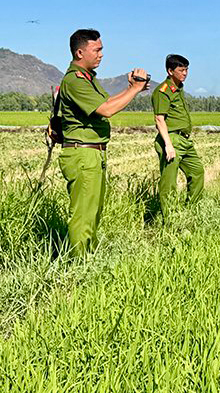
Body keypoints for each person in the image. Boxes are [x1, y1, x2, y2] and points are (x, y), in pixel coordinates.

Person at [57, 29, 148, 255]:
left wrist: (131, 89)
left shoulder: (88, 79)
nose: (101, 55)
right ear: (80, 52)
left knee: (93, 211)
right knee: (83, 215)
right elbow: (107, 110)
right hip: (82, 154)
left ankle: (88, 259)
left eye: (102, 50)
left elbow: (107, 102)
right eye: (96, 50)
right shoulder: (75, 81)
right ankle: (78, 268)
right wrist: (135, 89)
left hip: (92, 154)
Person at [152, 54, 204, 217]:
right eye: (181, 70)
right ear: (170, 71)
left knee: (197, 172)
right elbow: (159, 119)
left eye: (187, 69)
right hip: (172, 140)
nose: (185, 73)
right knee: (169, 182)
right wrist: (168, 145)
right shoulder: (163, 91)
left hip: (184, 140)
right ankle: (170, 219)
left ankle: (191, 211)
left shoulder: (179, 88)